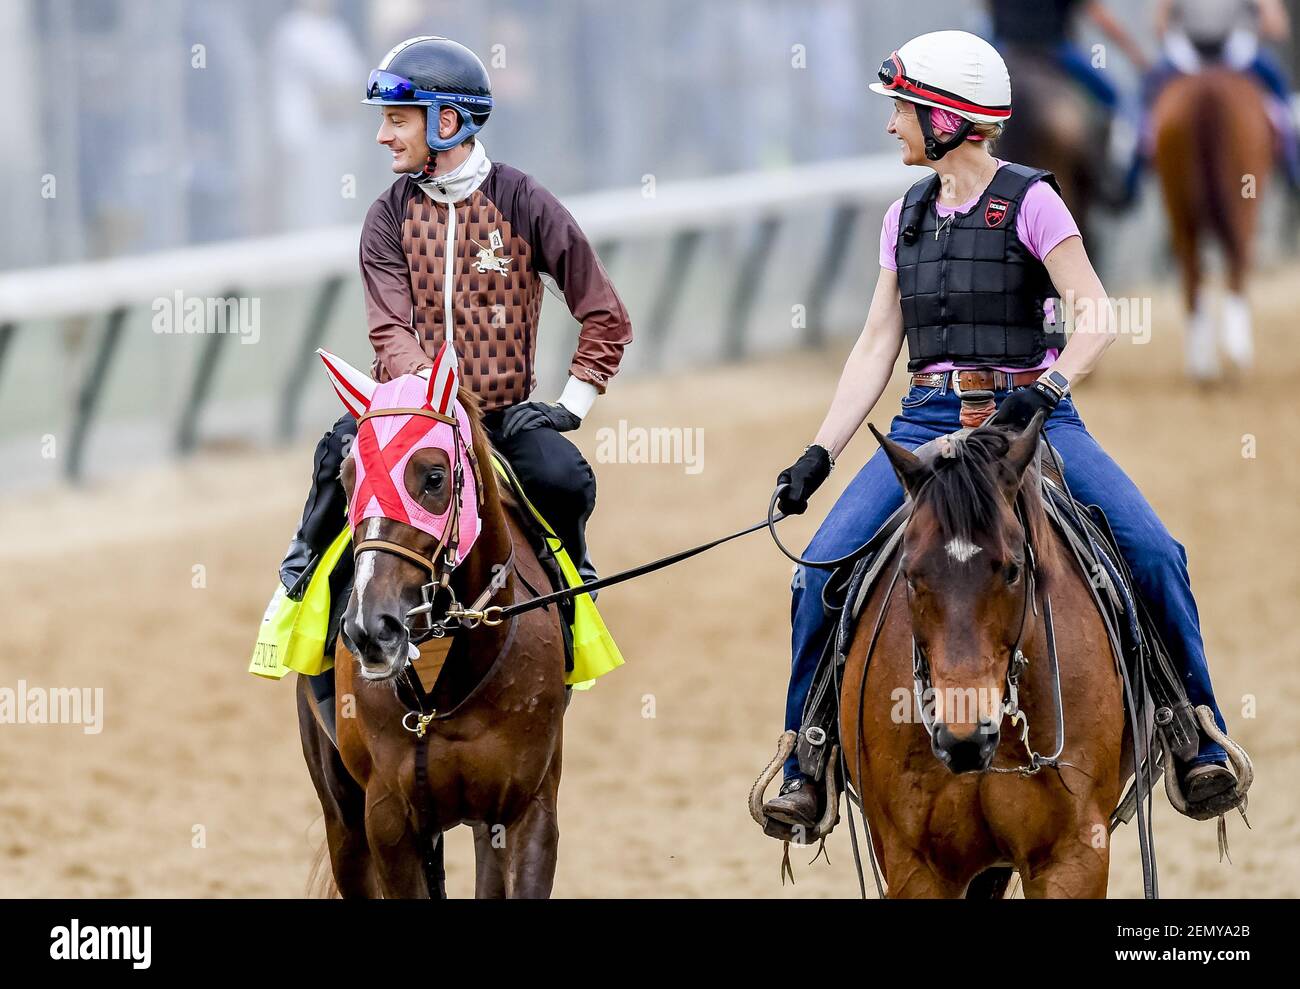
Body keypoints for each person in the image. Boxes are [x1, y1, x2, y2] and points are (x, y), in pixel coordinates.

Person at [761, 30, 1245, 829]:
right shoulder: (903, 216)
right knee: (816, 570)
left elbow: (1097, 315)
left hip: (1028, 422)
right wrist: (820, 450)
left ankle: (1196, 733)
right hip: (925, 421)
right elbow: (880, 340)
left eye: (903, 110)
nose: (893, 126)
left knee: (1156, 550)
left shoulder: (1034, 201)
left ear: (948, 118)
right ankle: (806, 753)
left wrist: (1049, 389)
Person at [277, 35, 632, 612]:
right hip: (410, 417)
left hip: (500, 422)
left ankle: (572, 600)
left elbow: (604, 312)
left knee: (563, 477)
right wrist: (430, 401)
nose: (382, 135)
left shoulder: (525, 201)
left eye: (396, 121)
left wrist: (571, 404)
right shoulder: (386, 215)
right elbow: (389, 332)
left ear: (446, 121)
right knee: (335, 458)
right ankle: (301, 597)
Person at [1138, 0, 1300, 190]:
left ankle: (1292, 167)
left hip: (1234, 53)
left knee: (1281, 91)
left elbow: (1276, 25)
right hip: (1189, 54)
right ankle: (1134, 169)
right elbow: (1159, 24)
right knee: (1144, 101)